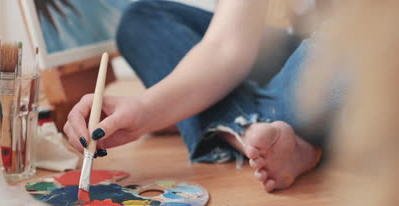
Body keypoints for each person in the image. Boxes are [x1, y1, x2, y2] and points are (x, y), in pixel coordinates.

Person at [64, 0, 331, 192]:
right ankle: (254, 130)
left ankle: (236, 124)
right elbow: (224, 48)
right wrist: (145, 110)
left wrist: (170, 111)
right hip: (291, 50)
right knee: (142, 20)